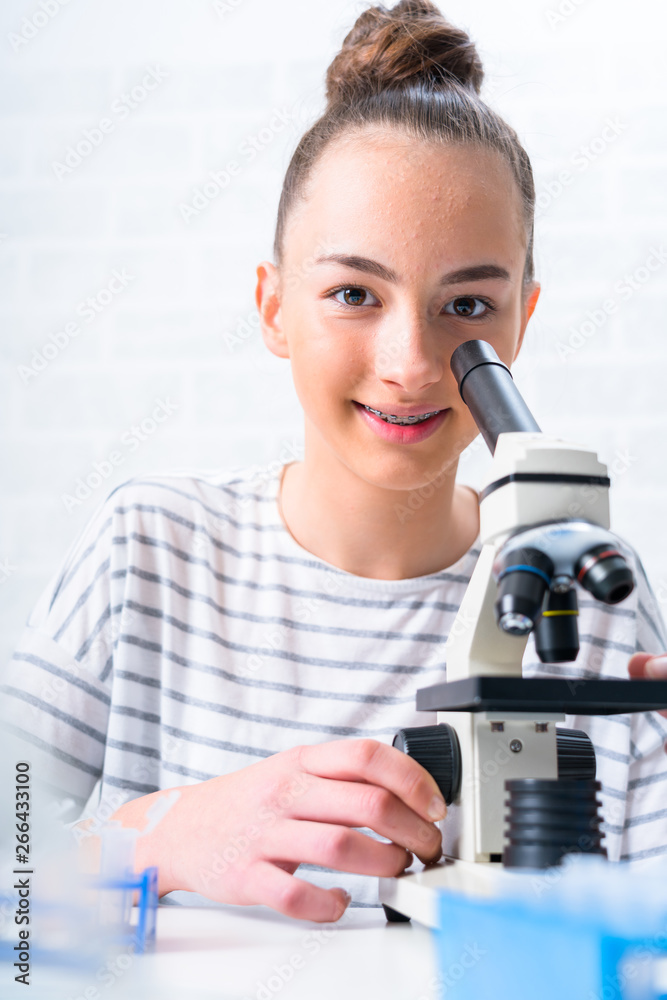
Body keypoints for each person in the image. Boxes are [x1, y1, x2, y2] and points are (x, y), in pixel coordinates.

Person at [3, 0, 667, 925]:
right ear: (274, 307)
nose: (410, 364)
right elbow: (13, 871)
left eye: (467, 307)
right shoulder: (145, 551)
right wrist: (160, 839)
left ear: (521, 319)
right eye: (354, 293)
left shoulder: (586, 586)